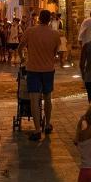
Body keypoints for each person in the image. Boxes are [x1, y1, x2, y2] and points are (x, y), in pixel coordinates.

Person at [19, 8, 61, 141]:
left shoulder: (30, 31)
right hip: (48, 69)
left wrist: (22, 58)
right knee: (48, 97)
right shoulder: (55, 34)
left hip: (33, 69)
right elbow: (56, 52)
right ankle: (47, 124)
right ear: (49, 20)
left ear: (39, 19)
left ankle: (37, 129)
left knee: (34, 99)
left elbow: (20, 47)